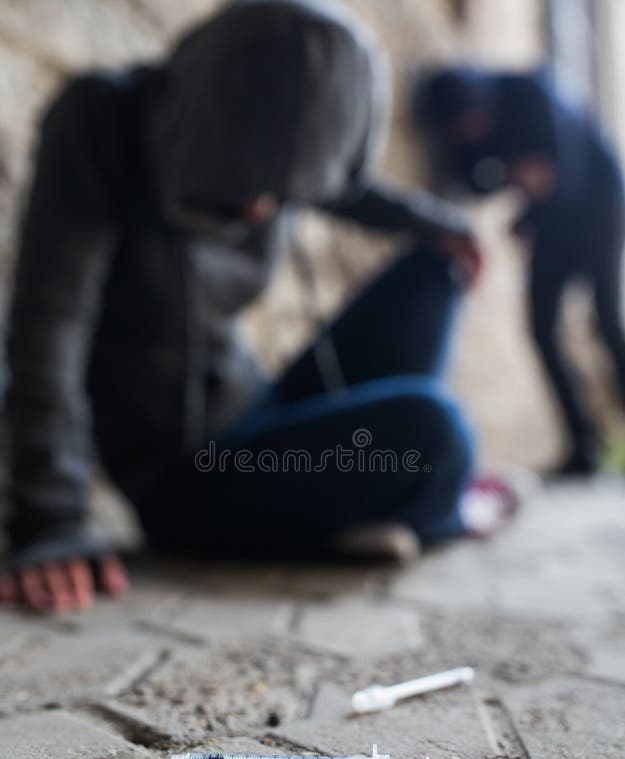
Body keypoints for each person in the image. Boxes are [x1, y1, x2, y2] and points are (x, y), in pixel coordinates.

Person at [1, 0, 494, 613]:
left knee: (434, 268)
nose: (263, 212)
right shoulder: (98, 121)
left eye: (280, 197)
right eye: (248, 193)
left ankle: (388, 503)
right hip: (187, 478)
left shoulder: (286, 164)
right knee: (434, 431)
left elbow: (343, 185)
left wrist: (440, 226)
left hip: (262, 415)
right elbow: (51, 325)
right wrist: (49, 521)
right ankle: (419, 501)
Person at [416, 66, 625, 476]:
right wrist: (525, 189)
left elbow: (567, 171)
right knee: (541, 327)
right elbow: (483, 182)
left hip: (601, 208)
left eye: (474, 121)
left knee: (605, 318)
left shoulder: (530, 92)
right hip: (552, 225)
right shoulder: (467, 129)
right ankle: (584, 444)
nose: (472, 131)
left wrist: (528, 196)